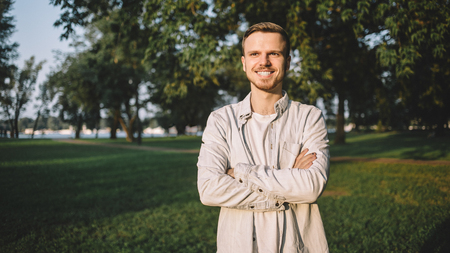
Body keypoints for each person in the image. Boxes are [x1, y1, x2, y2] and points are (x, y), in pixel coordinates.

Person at [197, 22, 330, 253]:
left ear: (287, 62)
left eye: (274, 54)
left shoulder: (310, 117)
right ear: (244, 63)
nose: (264, 62)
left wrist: (240, 172)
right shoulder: (221, 120)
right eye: (255, 54)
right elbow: (209, 189)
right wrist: (287, 189)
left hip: (296, 247)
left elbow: (311, 187)